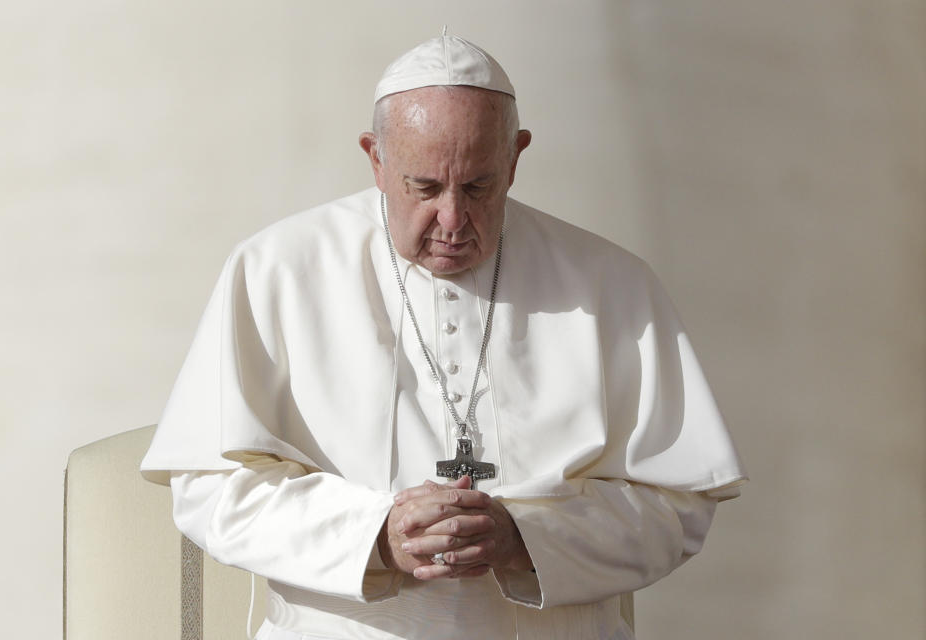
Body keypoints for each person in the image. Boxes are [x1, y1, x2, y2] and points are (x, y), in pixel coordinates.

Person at [141, 31, 746, 640]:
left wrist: (525, 540)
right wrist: (377, 534)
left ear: (516, 156)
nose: (452, 219)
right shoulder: (276, 269)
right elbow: (211, 490)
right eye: (424, 188)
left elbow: (678, 505)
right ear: (375, 159)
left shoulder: (611, 282)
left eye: (479, 186)